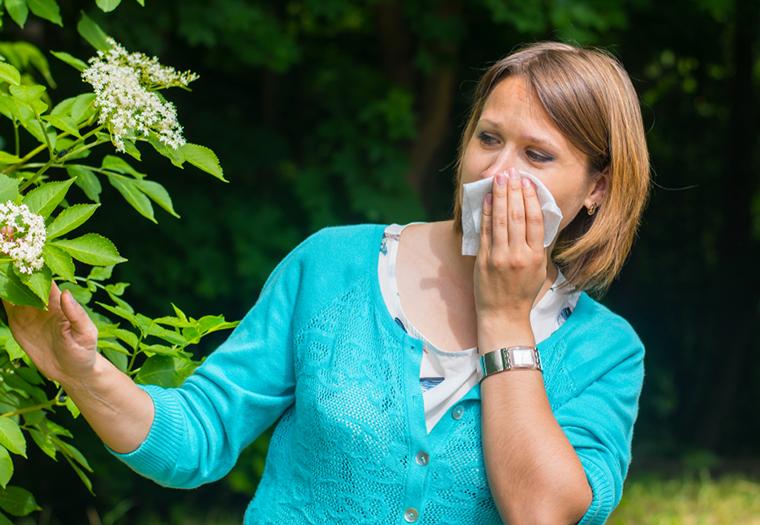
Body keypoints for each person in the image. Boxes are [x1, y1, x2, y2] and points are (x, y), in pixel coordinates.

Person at [3, 41, 649, 524]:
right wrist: (85, 372)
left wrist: (505, 317)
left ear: (595, 188)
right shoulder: (332, 267)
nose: (498, 172)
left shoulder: (607, 353)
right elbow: (197, 436)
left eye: (537, 156)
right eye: (488, 138)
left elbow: (543, 510)